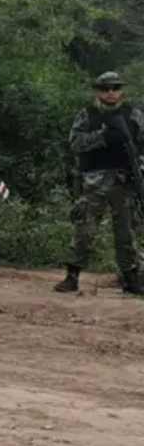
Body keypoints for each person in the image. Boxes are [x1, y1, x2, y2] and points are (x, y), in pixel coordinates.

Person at [55, 72, 144, 295]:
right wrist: (102, 137)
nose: (111, 93)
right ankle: (72, 276)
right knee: (84, 229)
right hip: (94, 181)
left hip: (124, 180)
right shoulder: (87, 115)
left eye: (115, 88)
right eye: (106, 89)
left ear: (121, 91)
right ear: (98, 91)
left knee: (126, 232)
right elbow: (75, 143)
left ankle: (131, 279)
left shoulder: (133, 114)